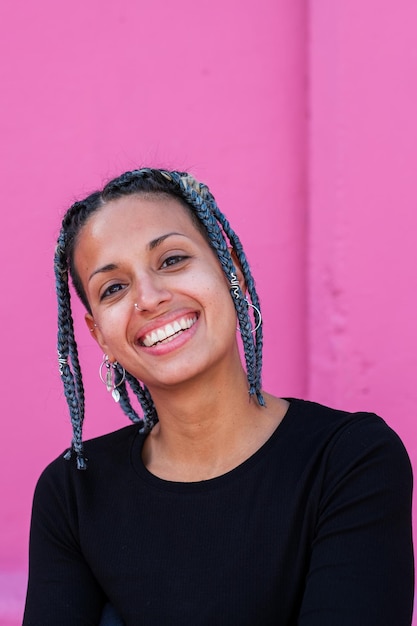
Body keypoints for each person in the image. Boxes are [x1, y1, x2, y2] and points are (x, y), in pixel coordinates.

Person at [23, 168, 414, 625]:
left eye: (171, 260)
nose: (147, 298)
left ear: (231, 272)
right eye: (113, 288)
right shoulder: (73, 494)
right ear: (99, 336)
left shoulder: (350, 460)